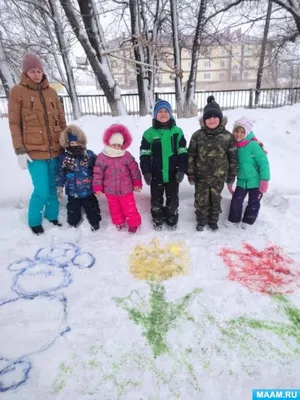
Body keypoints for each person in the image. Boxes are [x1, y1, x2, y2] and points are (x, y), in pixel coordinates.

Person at [8, 52, 66, 235]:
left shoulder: (51, 92)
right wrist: (19, 150)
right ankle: (34, 220)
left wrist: (65, 144)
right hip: (34, 153)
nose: (36, 74)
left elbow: (62, 121)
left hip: (55, 151)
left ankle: (52, 216)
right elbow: (14, 123)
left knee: (53, 188)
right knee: (41, 190)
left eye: (38, 70)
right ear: (25, 73)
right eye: (32, 71)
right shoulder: (18, 92)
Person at [187, 95, 238, 231]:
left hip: (218, 177)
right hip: (201, 176)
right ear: (204, 120)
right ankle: (201, 220)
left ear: (220, 119)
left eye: (215, 117)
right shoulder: (197, 135)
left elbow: (233, 156)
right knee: (201, 199)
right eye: (208, 117)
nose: (212, 120)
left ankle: (213, 220)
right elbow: (191, 155)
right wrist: (190, 173)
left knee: (215, 199)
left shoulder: (227, 136)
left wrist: (232, 175)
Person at [139, 99, 188, 231]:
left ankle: (172, 219)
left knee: (173, 199)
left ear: (171, 114)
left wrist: (182, 169)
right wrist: (146, 172)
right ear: (155, 114)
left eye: (166, 111)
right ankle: (158, 218)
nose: (163, 114)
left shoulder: (177, 132)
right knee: (156, 199)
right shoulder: (149, 133)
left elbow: (183, 151)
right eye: (160, 111)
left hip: (173, 173)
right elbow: (144, 154)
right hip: (156, 173)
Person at [93, 124, 142, 233]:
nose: (116, 147)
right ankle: (119, 222)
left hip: (126, 189)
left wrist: (137, 183)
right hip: (110, 190)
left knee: (130, 208)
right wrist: (97, 187)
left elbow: (134, 170)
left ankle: (133, 223)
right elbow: (97, 173)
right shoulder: (103, 156)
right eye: (114, 145)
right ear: (109, 143)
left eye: (119, 145)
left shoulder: (126, 155)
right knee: (115, 209)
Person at [225, 117, 270, 229]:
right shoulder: (234, 146)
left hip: (256, 181)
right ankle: (234, 219)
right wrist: (229, 182)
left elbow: (263, 162)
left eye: (242, 132)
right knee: (236, 201)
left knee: (254, 203)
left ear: (247, 132)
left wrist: (264, 180)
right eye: (236, 131)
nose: (238, 134)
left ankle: (248, 221)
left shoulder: (253, 145)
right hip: (241, 181)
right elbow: (231, 165)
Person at [56, 125, 101, 231]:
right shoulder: (64, 158)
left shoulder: (89, 155)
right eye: (72, 143)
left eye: (77, 143)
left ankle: (95, 223)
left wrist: (99, 184)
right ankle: (73, 223)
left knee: (92, 208)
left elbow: (98, 170)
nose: (75, 145)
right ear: (68, 144)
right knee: (73, 210)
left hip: (88, 190)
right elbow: (60, 173)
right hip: (72, 191)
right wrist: (59, 186)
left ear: (82, 142)